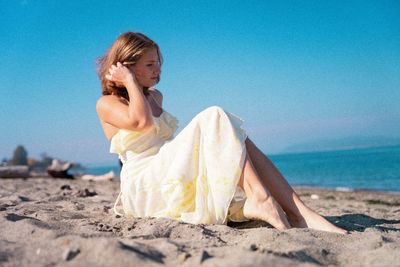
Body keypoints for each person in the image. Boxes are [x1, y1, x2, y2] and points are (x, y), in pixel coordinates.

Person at [95, 32, 347, 234]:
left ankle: (300, 212)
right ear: (126, 66)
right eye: (150, 64)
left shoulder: (155, 96)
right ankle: (262, 198)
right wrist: (128, 81)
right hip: (144, 185)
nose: (157, 69)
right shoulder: (107, 103)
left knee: (238, 138)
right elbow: (142, 123)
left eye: (159, 63)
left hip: (169, 173)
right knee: (214, 115)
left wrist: (134, 83)